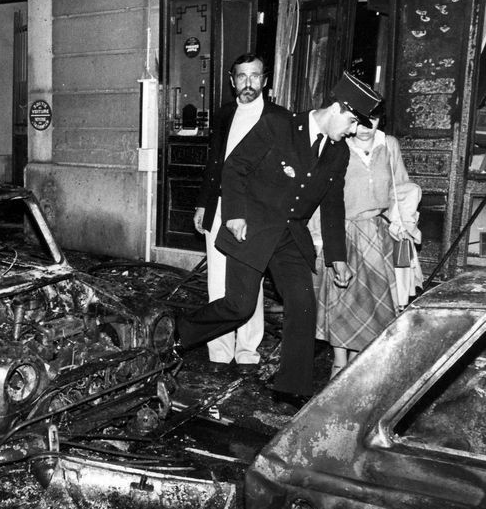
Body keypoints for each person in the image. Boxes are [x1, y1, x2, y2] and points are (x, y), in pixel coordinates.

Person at [176, 71, 383, 408]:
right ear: (339, 109)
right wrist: (234, 215)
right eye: (351, 124)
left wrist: (337, 256)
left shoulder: (337, 152)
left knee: (303, 306)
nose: (351, 132)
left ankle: (292, 389)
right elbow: (235, 167)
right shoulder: (279, 125)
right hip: (253, 228)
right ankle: (180, 332)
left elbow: (332, 204)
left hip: (289, 236)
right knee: (239, 307)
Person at [311, 102, 422, 377]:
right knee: (341, 298)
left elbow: (401, 185)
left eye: (372, 118)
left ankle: (359, 368)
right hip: (342, 231)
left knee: (375, 304)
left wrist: (402, 222)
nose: (365, 126)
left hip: (377, 232)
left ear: (379, 119)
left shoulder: (390, 144)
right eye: (359, 120)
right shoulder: (337, 146)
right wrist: (318, 238)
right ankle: (339, 364)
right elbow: (322, 196)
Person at [194, 53, 289, 369]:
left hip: (256, 214)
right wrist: (203, 204)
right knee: (218, 283)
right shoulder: (223, 115)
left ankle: (248, 351)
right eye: (242, 76)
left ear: (265, 79)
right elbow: (214, 164)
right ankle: (219, 351)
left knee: (250, 283)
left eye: (255, 76)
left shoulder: (278, 117)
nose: (248, 83)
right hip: (221, 209)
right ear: (232, 80)